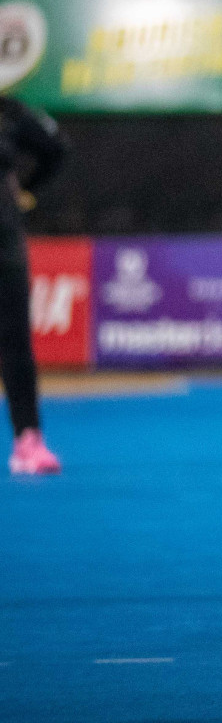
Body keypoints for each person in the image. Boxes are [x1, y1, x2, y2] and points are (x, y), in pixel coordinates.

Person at [1, 96, 67, 475]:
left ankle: (28, 438)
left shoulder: (8, 112)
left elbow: (56, 149)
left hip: (3, 240)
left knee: (15, 341)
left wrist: (25, 191)